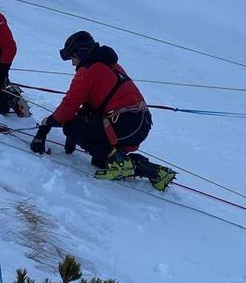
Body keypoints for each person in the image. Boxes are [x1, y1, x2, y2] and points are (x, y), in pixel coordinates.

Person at [29, 31, 176, 191]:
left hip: (125, 122)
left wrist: (48, 123)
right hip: (139, 122)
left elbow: (69, 106)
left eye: (72, 58)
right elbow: (90, 104)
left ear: (80, 53)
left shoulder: (88, 70)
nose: (72, 64)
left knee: (72, 127)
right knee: (101, 159)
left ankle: (121, 164)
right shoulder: (109, 64)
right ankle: (156, 172)